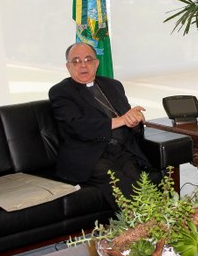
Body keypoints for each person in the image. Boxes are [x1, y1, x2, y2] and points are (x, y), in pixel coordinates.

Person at [49, 42, 157, 208]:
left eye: (88, 60)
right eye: (76, 61)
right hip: (89, 156)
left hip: (121, 150)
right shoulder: (61, 91)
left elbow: (128, 119)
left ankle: (159, 218)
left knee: (140, 182)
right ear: (68, 67)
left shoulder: (113, 85)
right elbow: (78, 126)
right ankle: (147, 221)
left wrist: (134, 121)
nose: (83, 65)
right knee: (119, 182)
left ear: (96, 63)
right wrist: (122, 120)